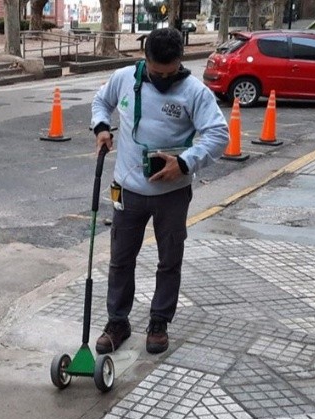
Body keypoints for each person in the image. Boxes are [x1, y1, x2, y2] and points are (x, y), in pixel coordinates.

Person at [90, 27, 229, 354]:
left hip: (172, 194)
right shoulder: (124, 78)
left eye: (170, 73)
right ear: (145, 60)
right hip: (127, 188)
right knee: (121, 259)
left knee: (169, 260)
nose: (163, 80)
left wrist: (184, 163)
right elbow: (101, 101)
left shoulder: (194, 91)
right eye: (156, 73)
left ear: (180, 61)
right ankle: (118, 321)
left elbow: (218, 135)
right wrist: (100, 128)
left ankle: (159, 321)